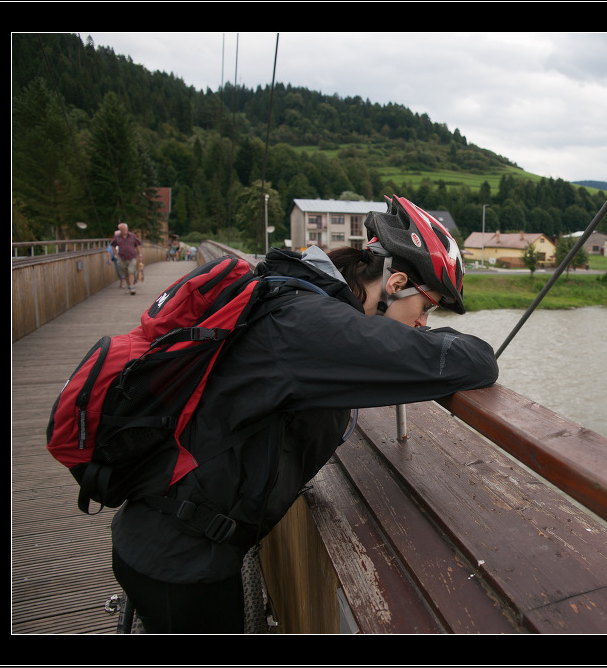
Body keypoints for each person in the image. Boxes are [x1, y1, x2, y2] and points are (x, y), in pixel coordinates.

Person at [110, 195, 499, 633]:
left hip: (169, 536)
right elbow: (475, 360)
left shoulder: (302, 297)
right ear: (396, 284)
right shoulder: (316, 326)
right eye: (426, 307)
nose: (424, 323)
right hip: (180, 561)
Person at [110, 223, 143, 295]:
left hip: (132, 257)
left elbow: (137, 246)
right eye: (121, 229)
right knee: (125, 273)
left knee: (130, 271)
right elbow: (112, 245)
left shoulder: (132, 236)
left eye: (124, 229)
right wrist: (116, 254)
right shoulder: (117, 237)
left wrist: (140, 255)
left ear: (127, 229)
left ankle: (131, 286)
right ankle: (129, 286)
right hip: (122, 258)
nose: (123, 230)